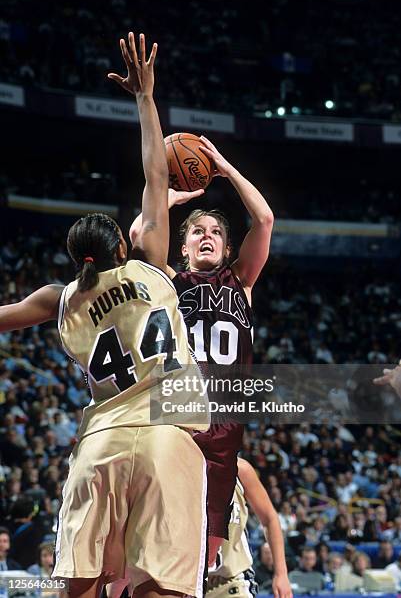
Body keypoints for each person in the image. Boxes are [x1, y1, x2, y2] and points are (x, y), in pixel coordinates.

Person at [0, 32, 209, 598]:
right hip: (170, 436)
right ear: (124, 244)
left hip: (102, 443)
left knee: (80, 584)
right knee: (159, 584)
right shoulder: (152, 267)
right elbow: (156, 173)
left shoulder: (60, 297)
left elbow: (3, 316)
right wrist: (145, 97)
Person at [130, 133, 274, 566]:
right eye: (197, 231)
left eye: (214, 232)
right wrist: (167, 198)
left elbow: (264, 220)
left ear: (228, 249)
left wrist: (226, 170)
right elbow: (139, 233)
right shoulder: (168, 282)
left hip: (226, 429)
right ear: (184, 245)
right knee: (153, 546)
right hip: (176, 419)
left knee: (204, 561)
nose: (206, 236)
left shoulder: (242, 282)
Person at [207, 458, 292, 598]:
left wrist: (281, 574)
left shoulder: (239, 469)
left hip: (230, 581)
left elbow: (270, 518)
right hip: (185, 585)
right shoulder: (174, 470)